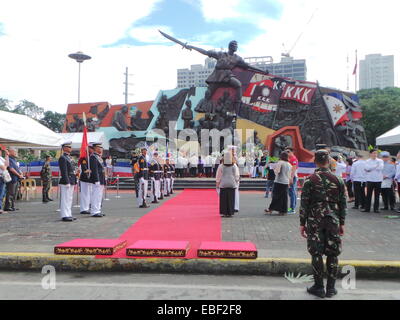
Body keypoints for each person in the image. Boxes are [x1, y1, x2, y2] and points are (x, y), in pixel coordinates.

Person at [300, 149, 346, 298]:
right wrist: (342, 223)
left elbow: (304, 204)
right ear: (328, 161)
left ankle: (319, 287)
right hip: (333, 220)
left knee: (316, 252)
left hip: (315, 220)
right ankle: (331, 288)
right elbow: (343, 203)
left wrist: (302, 223)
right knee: (333, 253)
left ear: (315, 161)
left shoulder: (310, 180)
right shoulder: (338, 180)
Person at [264, 151, 292, 216]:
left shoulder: (280, 162)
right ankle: (283, 210)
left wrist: (274, 169)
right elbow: (289, 174)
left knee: (276, 196)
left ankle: (271, 209)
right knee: (284, 197)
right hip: (286, 181)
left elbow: (277, 171)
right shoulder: (289, 164)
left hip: (279, 181)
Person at [216, 151, 240, 217]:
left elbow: (218, 175)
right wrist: (237, 181)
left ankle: (224, 212)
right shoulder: (234, 165)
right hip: (232, 183)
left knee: (223, 199)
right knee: (231, 198)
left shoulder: (221, 166)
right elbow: (236, 175)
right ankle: (230, 212)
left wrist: (217, 183)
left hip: (223, 183)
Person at [58, 142, 77, 222]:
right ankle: (64, 215)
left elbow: (72, 169)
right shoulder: (62, 158)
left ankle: (68, 214)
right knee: (65, 199)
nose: (70, 148)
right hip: (67, 180)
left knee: (69, 199)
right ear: (64, 148)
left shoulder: (70, 158)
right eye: (68, 147)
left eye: (70, 147)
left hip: (71, 179)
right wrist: (67, 181)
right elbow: (64, 171)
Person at [362, 149, 384, 213]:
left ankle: (376, 209)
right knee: (368, 195)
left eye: (376, 153)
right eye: (373, 153)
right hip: (370, 180)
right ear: (370, 154)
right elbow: (366, 168)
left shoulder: (380, 161)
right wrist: (375, 166)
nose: (375, 155)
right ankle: (367, 208)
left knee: (377, 195)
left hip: (378, 180)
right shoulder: (367, 161)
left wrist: (371, 168)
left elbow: (380, 168)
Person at [4, 147, 24, 212]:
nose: (16, 153)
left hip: (16, 179)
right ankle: (8, 206)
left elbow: (17, 168)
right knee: (10, 193)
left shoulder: (14, 159)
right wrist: (19, 175)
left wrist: (20, 173)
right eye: (14, 152)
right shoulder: (9, 159)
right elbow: (11, 169)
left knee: (14, 193)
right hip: (12, 179)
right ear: (10, 152)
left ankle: (12, 206)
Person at [89, 143, 105, 217]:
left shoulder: (98, 156)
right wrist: (96, 180)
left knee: (99, 195)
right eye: (99, 147)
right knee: (95, 195)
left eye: (101, 147)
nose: (100, 149)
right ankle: (94, 211)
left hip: (101, 178)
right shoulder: (93, 157)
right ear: (95, 148)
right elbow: (94, 169)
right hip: (97, 179)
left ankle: (98, 210)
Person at [79, 144, 94, 215]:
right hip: (85, 178)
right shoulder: (84, 158)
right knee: (85, 194)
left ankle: (87, 207)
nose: (92, 150)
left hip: (89, 179)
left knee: (88, 194)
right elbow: (84, 169)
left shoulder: (90, 157)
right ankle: (83, 209)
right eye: (91, 148)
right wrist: (90, 170)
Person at [285, 147, 298, 215]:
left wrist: (291, 178)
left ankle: (292, 208)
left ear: (292, 152)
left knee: (292, 193)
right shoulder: (290, 159)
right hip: (290, 177)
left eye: (288, 151)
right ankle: (292, 207)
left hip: (292, 177)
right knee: (292, 193)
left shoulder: (293, 159)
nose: (287, 153)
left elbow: (293, 170)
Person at [0, 148, 10, 214]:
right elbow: (3, 168)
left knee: (2, 193)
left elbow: (7, 164)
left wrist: (7, 156)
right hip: (0, 177)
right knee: (1, 193)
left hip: (2, 177)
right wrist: (5, 166)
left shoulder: (1, 158)